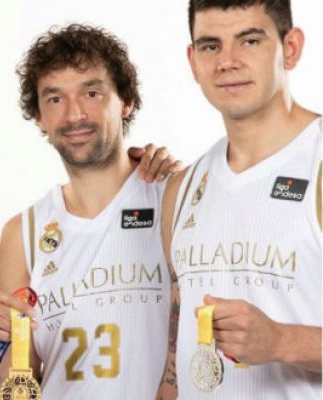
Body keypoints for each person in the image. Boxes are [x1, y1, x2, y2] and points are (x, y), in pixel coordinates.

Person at [0, 24, 181, 399]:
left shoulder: (174, 196)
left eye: (91, 93)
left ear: (125, 101)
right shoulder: (22, 233)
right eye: (55, 98)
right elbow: (18, 390)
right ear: (39, 116)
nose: (74, 115)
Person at [157, 1, 321, 398]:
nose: (227, 62)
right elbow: (175, 361)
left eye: (249, 41)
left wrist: (282, 340)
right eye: (211, 46)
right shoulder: (181, 189)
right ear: (193, 61)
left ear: (291, 48)